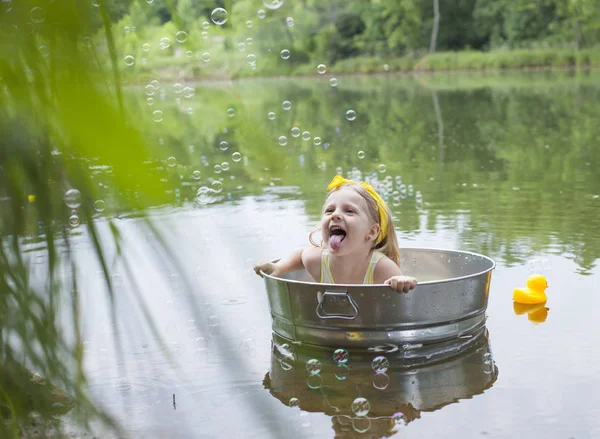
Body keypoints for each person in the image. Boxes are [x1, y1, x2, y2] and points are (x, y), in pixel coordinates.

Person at [254, 175, 417, 293]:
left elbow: (403, 302)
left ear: (372, 231)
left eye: (350, 211)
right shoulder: (317, 260)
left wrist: (401, 282)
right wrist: (279, 267)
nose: (335, 215)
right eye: (330, 210)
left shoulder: (382, 268)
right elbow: (301, 254)